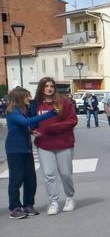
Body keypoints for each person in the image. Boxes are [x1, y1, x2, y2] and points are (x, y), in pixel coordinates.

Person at [5, 88, 58, 219]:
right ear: (19, 98)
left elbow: (22, 126)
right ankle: (15, 207)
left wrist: (30, 132)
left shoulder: (22, 111)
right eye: (27, 96)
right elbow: (25, 122)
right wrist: (50, 114)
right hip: (15, 150)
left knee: (30, 178)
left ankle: (28, 205)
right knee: (16, 179)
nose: (29, 98)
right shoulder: (13, 112)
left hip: (26, 148)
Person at [32, 77, 79, 215]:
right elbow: (30, 121)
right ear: (41, 88)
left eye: (51, 85)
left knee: (65, 173)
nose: (49, 88)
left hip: (64, 143)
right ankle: (53, 201)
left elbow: (72, 120)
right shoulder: (36, 104)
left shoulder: (64, 102)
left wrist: (52, 128)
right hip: (44, 144)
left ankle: (69, 197)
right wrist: (31, 130)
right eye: (46, 86)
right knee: (49, 174)